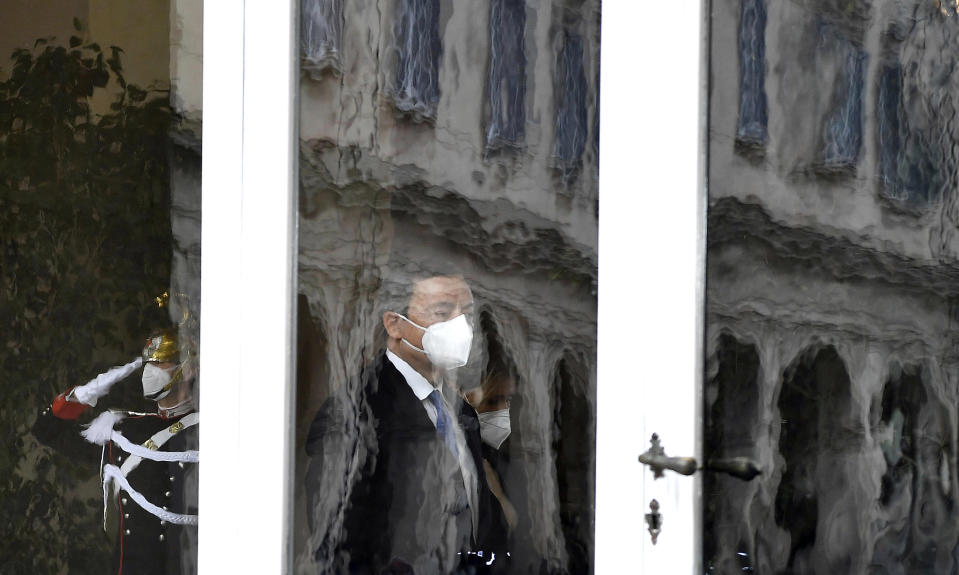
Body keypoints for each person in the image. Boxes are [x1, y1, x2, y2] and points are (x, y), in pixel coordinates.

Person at [305, 273, 493, 574]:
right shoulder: (356, 412)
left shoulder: (460, 412)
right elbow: (336, 545)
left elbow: (476, 517)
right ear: (394, 324)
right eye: (443, 312)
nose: (461, 325)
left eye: (466, 314)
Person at [51, 326, 199, 575]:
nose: (150, 370)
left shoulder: (210, 433)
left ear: (189, 369)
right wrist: (81, 395)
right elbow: (51, 431)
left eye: (161, 362)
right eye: (149, 362)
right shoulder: (126, 430)